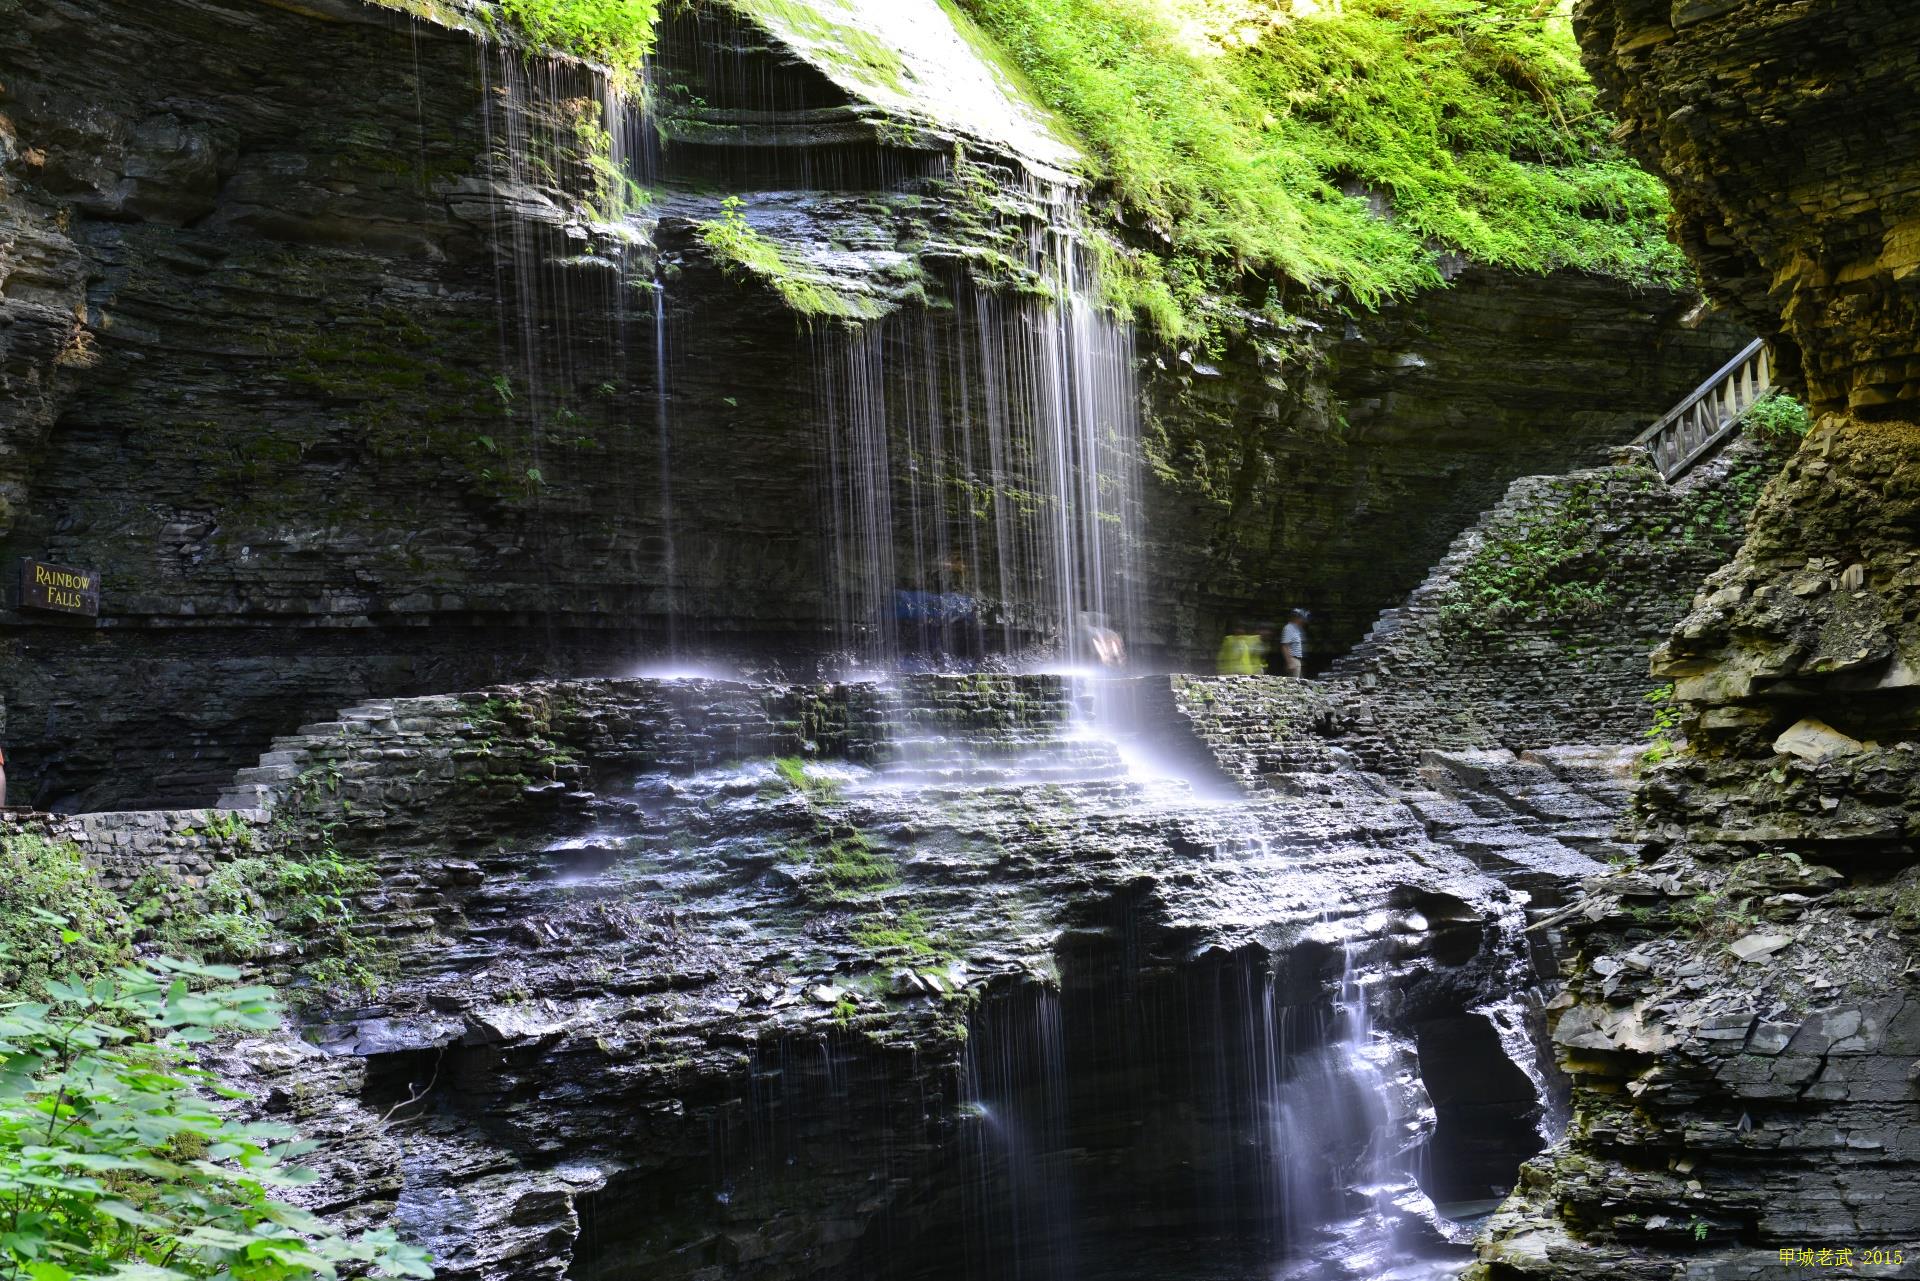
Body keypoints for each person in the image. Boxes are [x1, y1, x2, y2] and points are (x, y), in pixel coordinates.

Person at [1278, 608, 1309, 678]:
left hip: (1298, 661)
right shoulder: (1289, 628)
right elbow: (1285, 646)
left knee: (1300, 683)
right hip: (1293, 660)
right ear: (1296, 618)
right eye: (1301, 617)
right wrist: (1290, 662)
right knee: (1293, 683)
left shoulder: (1298, 629)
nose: (1303, 619)